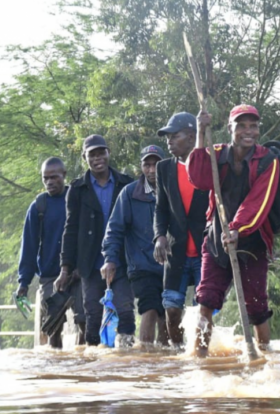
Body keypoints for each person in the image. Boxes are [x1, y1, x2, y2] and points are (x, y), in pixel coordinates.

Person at [186, 104, 280, 357]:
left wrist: (237, 229)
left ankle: (265, 358)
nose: (248, 131)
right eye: (241, 126)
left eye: (253, 126)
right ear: (230, 128)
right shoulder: (216, 155)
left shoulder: (268, 161)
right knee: (205, 300)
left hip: (252, 244)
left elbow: (258, 203)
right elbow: (197, 178)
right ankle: (199, 360)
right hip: (217, 240)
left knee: (257, 308)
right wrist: (200, 130)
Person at [56, 134, 136, 348]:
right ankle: (95, 363)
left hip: (121, 261)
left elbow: (136, 225)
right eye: (92, 154)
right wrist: (66, 268)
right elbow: (70, 229)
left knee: (125, 310)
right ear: (85, 157)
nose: (98, 158)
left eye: (101, 152)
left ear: (109, 153)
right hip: (90, 264)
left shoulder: (126, 184)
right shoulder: (77, 189)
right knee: (92, 315)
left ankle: (130, 361)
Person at [102, 145, 170, 349]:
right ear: (141, 167)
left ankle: (168, 360)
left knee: (169, 313)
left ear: (163, 165)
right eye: (146, 165)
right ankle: (146, 359)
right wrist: (110, 259)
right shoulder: (130, 194)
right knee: (149, 308)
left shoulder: (173, 189)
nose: (151, 170)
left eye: (156, 164)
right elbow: (114, 229)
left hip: (171, 265)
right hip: (142, 266)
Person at [15, 157, 85, 349]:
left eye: (54, 177)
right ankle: (56, 370)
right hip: (50, 276)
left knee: (85, 322)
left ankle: (84, 368)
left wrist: (83, 266)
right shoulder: (38, 207)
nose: (50, 182)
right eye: (45, 178)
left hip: (78, 275)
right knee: (53, 328)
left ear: (64, 175)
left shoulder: (79, 198)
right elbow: (29, 247)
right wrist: (23, 282)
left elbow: (91, 236)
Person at [154, 112, 210, 349]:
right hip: (176, 252)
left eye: (174, 136)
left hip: (204, 250)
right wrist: (159, 236)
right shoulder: (164, 168)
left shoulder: (210, 165)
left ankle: (201, 357)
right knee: (172, 310)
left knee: (204, 312)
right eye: (167, 137)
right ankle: (178, 355)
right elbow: (161, 209)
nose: (169, 141)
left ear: (191, 137)